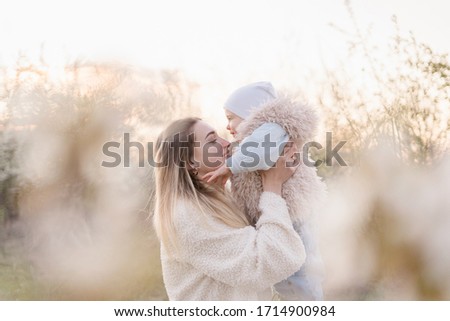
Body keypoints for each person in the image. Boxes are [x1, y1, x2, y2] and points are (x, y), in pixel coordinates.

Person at [152, 117, 306, 300]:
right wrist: (272, 185)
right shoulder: (187, 216)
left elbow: (281, 128)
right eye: (212, 141)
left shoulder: (221, 197)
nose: (226, 143)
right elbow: (266, 264)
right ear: (190, 163)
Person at [203, 81, 326, 300]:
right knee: (287, 276)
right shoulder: (255, 139)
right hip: (279, 215)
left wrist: (228, 166)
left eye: (231, 118)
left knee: (299, 276)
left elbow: (259, 153)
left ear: (252, 114)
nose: (228, 126)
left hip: (290, 215)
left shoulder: (272, 129)